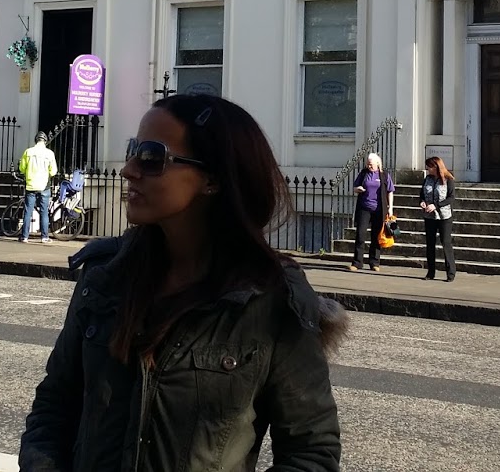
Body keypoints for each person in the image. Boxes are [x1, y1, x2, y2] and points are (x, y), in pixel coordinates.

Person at [20, 94, 344, 472]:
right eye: (133, 151)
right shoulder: (105, 274)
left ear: (212, 179)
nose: (128, 170)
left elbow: (311, 452)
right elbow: (54, 405)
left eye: (151, 157)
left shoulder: (271, 298)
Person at [349, 152, 394, 272]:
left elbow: (390, 191)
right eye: (368, 164)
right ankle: (357, 262)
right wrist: (357, 189)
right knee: (360, 235)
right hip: (364, 208)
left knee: (376, 236)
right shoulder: (364, 173)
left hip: (379, 209)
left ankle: (374, 262)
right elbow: (355, 187)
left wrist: (390, 208)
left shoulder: (384, 175)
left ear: (377, 163)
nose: (369, 166)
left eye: (371, 164)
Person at [421, 155, 457, 282]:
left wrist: (436, 205)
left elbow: (451, 198)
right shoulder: (427, 179)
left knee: (445, 242)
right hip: (429, 216)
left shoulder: (448, 179)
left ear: (436, 167)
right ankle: (431, 272)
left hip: (444, 216)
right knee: (430, 243)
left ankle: (450, 272)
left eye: (429, 167)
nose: (427, 169)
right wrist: (422, 202)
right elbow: (422, 194)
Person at [19, 132, 58, 244]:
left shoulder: (28, 152)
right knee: (44, 212)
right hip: (44, 186)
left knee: (28, 211)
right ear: (45, 141)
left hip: (31, 185)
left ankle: (24, 237)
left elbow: (22, 168)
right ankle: (44, 237)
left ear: (36, 140)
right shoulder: (49, 153)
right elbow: (53, 171)